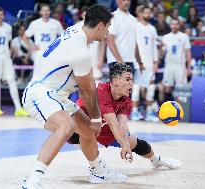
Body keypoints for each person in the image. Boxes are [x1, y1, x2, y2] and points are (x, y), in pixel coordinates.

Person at [21, 5, 128, 189]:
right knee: (66, 126)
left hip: (56, 95)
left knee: (86, 129)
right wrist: (96, 118)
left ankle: (98, 171)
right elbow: (87, 91)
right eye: (108, 27)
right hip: (40, 93)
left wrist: (92, 121)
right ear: (101, 26)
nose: (108, 33)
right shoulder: (81, 52)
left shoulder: (75, 30)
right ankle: (34, 180)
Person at [69, 64, 181, 170]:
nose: (131, 83)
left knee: (138, 144)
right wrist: (124, 145)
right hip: (83, 126)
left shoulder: (126, 101)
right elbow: (113, 122)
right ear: (116, 81)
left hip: (104, 127)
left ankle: (156, 160)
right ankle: (97, 169)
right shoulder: (102, 92)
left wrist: (126, 145)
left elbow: (122, 125)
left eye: (132, 80)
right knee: (78, 134)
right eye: (127, 79)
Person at [0, 7, 28, 117]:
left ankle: (18, 108)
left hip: (6, 57)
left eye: (1, 14)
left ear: (3, 16)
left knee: (12, 80)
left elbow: (9, 42)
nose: (0, 16)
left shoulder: (8, 27)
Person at [131, 6, 159, 122]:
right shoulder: (135, 26)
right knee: (136, 87)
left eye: (149, 13)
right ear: (141, 14)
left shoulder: (152, 29)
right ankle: (135, 112)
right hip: (138, 62)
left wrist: (156, 61)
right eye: (146, 12)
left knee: (151, 87)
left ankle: (149, 113)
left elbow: (154, 47)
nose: (148, 14)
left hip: (150, 62)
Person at [24, 4, 64, 73]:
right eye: (43, 10)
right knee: (38, 74)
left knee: (52, 74)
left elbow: (63, 37)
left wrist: (58, 47)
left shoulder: (56, 23)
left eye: (47, 10)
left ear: (50, 11)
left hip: (52, 53)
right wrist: (31, 46)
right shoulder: (35, 23)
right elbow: (25, 36)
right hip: (39, 53)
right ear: (40, 12)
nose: (45, 12)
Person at [106, 0, 143, 74]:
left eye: (128, 0)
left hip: (131, 61)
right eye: (123, 0)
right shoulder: (113, 17)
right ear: (117, 1)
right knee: (119, 86)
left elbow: (134, 43)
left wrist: (139, 62)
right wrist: (120, 61)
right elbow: (110, 40)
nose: (126, 2)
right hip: (116, 62)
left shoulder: (133, 19)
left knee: (130, 86)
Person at [161, 18, 192, 102]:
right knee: (167, 88)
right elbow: (162, 53)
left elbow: (188, 53)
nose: (174, 26)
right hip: (169, 65)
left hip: (180, 66)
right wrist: (160, 49)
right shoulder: (165, 37)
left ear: (179, 25)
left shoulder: (184, 37)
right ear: (170, 25)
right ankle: (167, 109)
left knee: (181, 88)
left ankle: (181, 109)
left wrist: (189, 68)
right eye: (172, 24)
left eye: (176, 24)